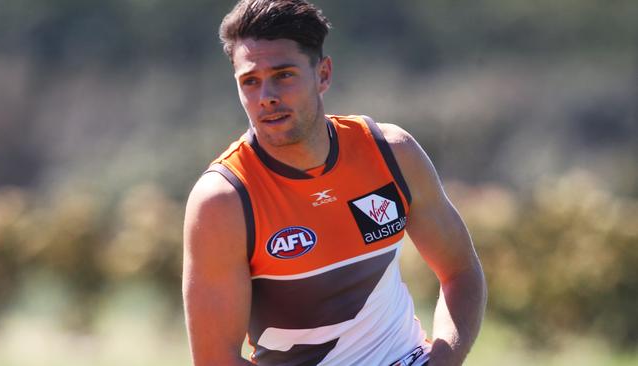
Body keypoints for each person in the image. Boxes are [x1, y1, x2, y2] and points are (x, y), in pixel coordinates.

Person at [182, 0, 487, 365]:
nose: (267, 97)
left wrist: (443, 359)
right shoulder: (224, 199)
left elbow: (461, 273)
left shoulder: (391, 153)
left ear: (323, 74)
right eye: (250, 82)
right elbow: (215, 359)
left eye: (283, 75)